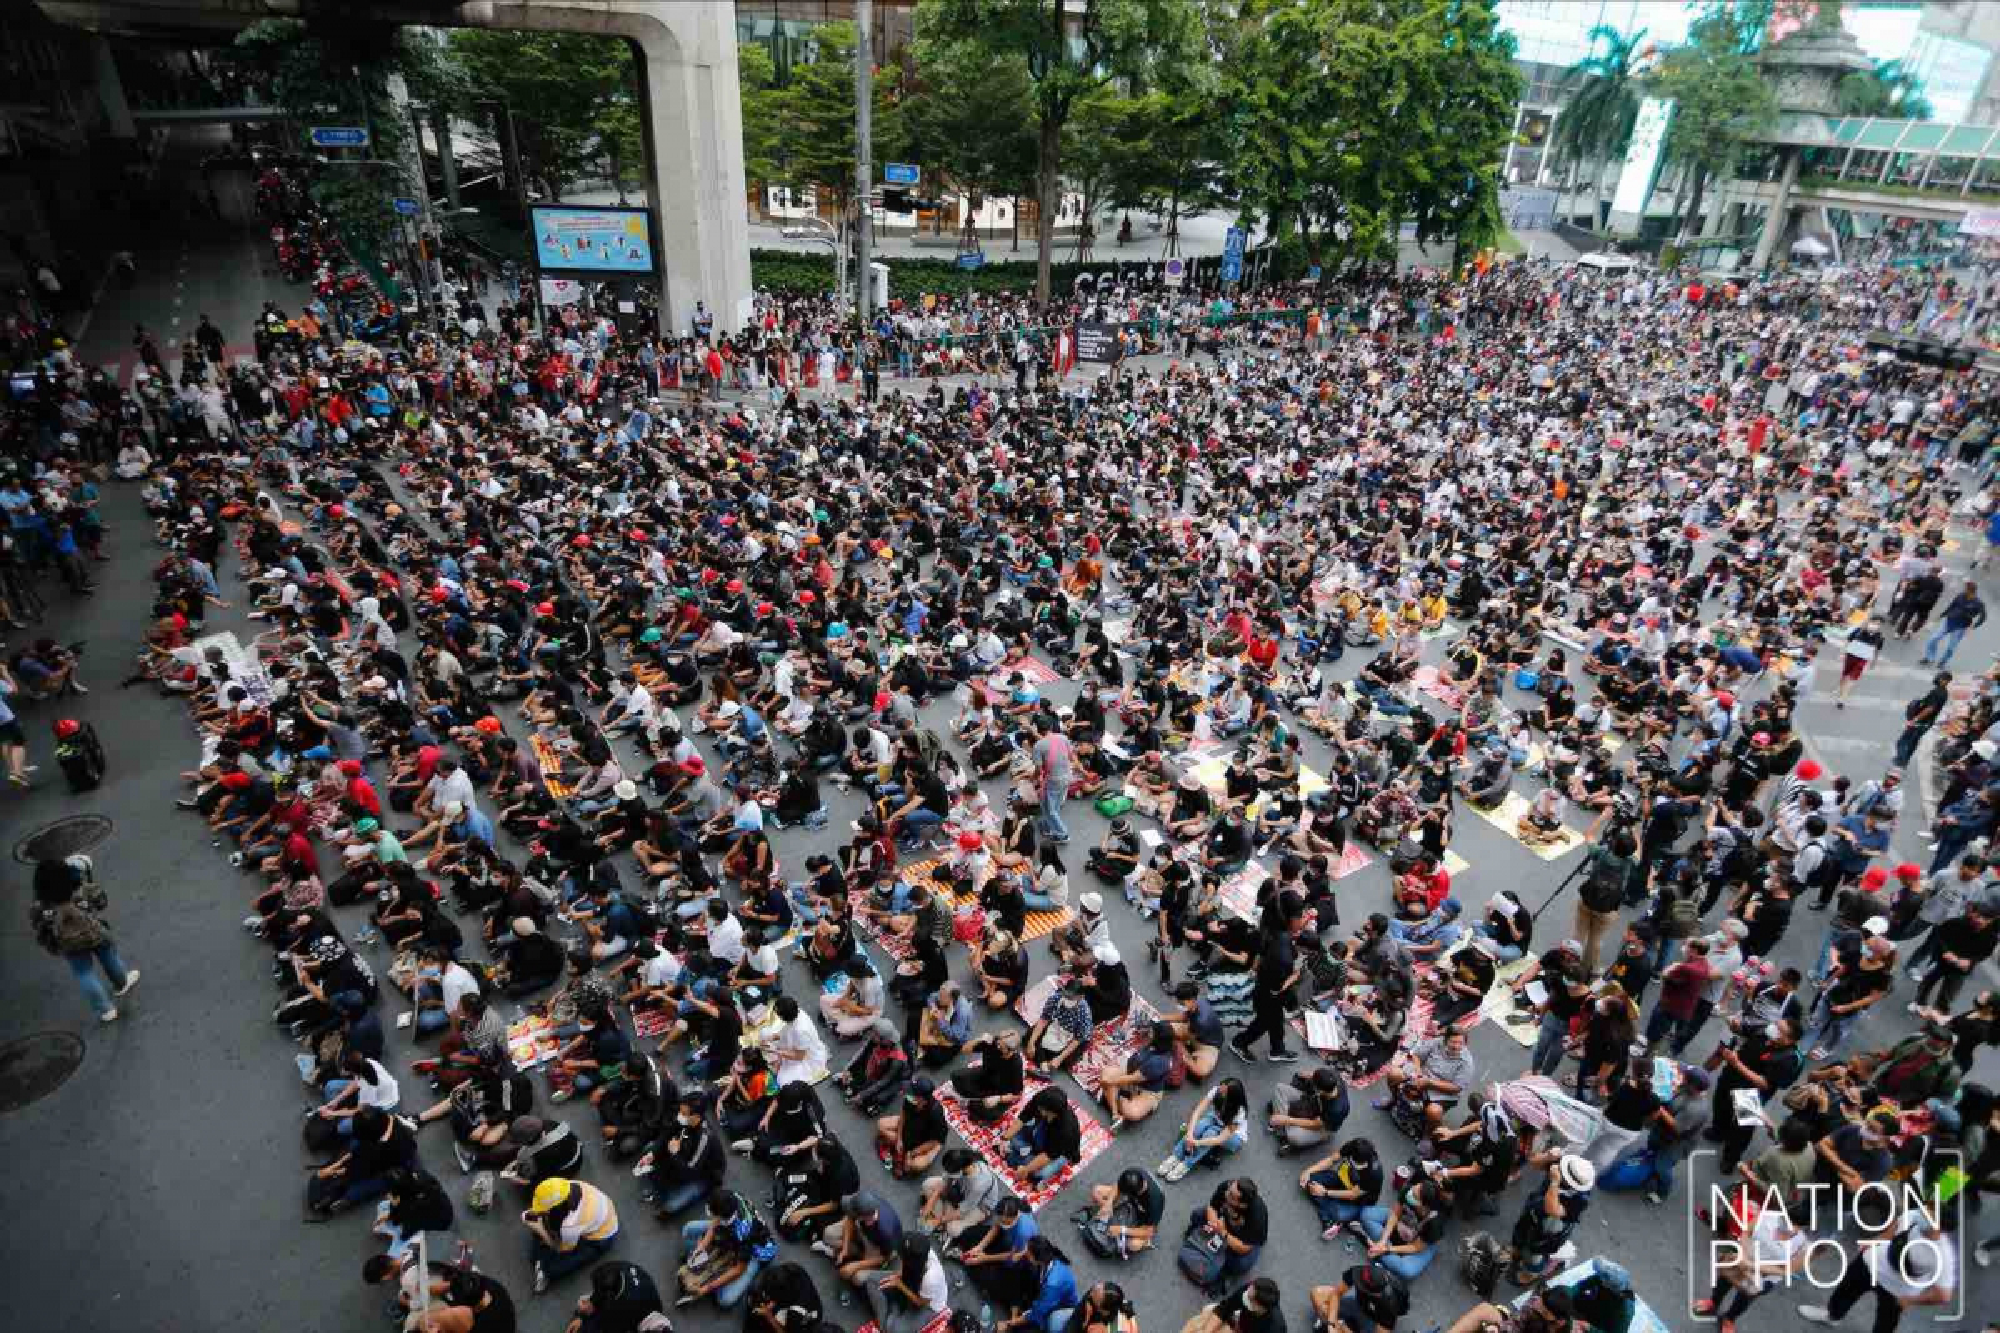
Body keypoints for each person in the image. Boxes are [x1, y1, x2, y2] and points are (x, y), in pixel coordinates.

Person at [29, 855, 138, 1022]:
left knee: (83, 973)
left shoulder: (40, 906)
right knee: (109, 958)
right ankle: (121, 984)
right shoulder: (83, 890)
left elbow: (37, 923)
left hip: (69, 943)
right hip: (95, 934)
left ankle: (105, 1009)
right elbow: (101, 902)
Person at [526, 1178, 621, 1294]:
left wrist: (541, 1231)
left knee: (561, 1263)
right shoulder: (568, 1186)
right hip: (603, 1214)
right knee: (542, 1232)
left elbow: (563, 1248)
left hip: (601, 1238)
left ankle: (545, 1270)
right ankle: (541, 1260)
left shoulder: (570, 1225)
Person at [1308, 1259, 1408, 1333]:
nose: (1359, 1283)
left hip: (1373, 1321)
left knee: (1341, 1327)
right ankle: (1337, 1324)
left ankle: (1348, 1326)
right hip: (1356, 1303)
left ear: (1378, 1293)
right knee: (1316, 1293)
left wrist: (1345, 1329)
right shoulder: (1360, 1272)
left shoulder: (1390, 1305)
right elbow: (1336, 1293)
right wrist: (1331, 1323)